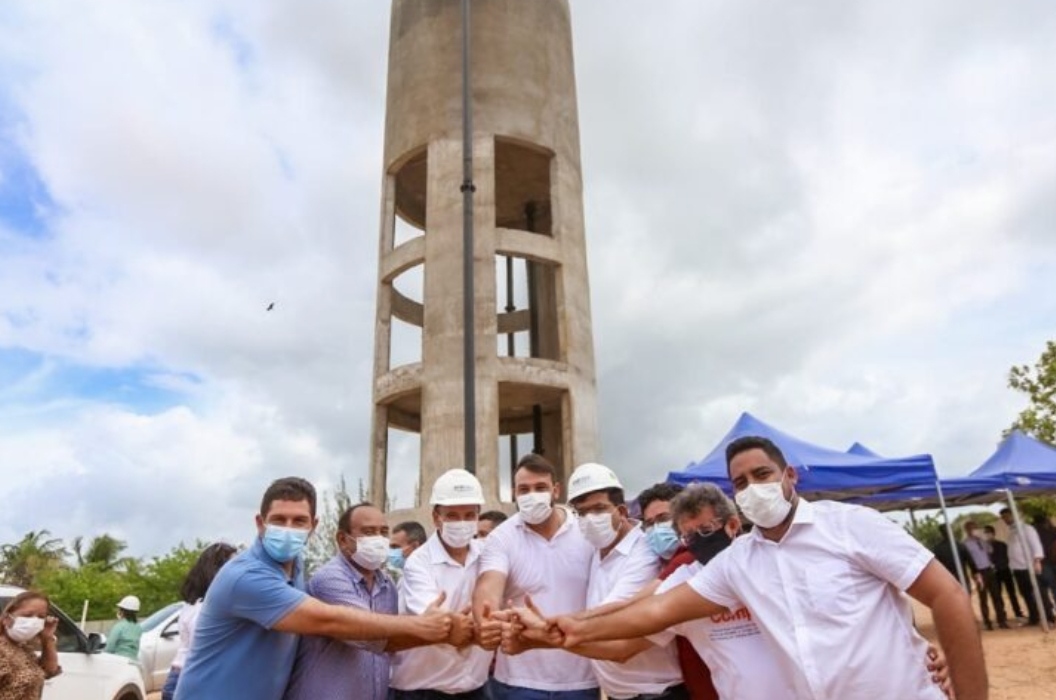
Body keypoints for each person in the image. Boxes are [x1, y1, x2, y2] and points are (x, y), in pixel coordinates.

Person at [553, 436, 987, 700]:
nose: (753, 487)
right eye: (741, 482)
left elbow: (945, 595)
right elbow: (654, 610)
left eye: (762, 474)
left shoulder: (849, 525)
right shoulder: (738, 563)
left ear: (789, 476)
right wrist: (565, 629)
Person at [174, 476, 455, 700]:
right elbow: (329, 619)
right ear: (260, 524)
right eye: (278, 520)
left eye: (299, 521)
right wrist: (422, 626)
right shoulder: (247, 576)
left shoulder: (295, 563)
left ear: (314, 526)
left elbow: (381, 642)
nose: (288, 529)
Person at [285, 502, 458, 700]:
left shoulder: (387, 585)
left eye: (383, 532)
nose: (378, 539)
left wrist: (440, 630)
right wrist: (432, 628)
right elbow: (370, 636)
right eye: (368, 532)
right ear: (343, 539)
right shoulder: (329, 579)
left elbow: (391, 643)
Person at [473, 453, 597, 700]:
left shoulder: (586, 531)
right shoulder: (502, 538)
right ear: (514, 494)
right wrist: (484, 621)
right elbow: (488, 585)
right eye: (524, 489)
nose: (532, 495)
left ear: (556, 490)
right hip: (518, 681)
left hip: (581, 679)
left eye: (540, 487)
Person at [563, 463, 684, 700]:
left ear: (622, 511)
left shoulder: (646, 553)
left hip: (657, 693)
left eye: (599, 509)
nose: (590, 519)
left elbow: (616, 635)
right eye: (582, 512)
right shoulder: (596, 550)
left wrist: (544, 633)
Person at [390, 469, 493, 700]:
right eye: (452, 516)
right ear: (436, 517)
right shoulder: (419, 562)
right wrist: (478, 627)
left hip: (475, 687)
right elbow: (439, 623)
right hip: (423, 689)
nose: (462, 522)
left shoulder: (488, 554)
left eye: (469, 515)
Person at [161, 543, 238, 700]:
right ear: (217, 571)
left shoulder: (192, 603)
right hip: (193, 679)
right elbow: (204, 646)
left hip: (181, 674)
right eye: (234, 566)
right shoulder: (207, 608)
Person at [0, 591, 61, 699]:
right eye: (27, 615)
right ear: (6, 618)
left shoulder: (24, 649)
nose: (34, 621)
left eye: (41, 617)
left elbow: (49, 671)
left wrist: (47, 638)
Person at [1000, 507, 1054, 625]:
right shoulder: (1011, 531)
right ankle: (1034, 617)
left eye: (1007, 516)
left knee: (1039, 593)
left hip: (1029, 566)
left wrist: (1037, 561)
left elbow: (1036, 545)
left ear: (1014, 515)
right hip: (1018, 568)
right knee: (1026, 594)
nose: (1005, 519)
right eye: (1003, 517)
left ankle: (1050, 617)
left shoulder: (1027, 529)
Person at [962, 521, 1008, 630]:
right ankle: (987, 622)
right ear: (967, 530)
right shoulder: (965, 544)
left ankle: (1002, 620)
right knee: (983, 597)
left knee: (996, 595)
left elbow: (990, 551)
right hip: (979, 572)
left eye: (976, 528)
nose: (975, 530)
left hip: (989, 569)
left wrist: (984, 540)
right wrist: (974, 573)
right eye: (972, 528)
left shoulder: (982, 541)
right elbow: (968, 560)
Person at [985, 524, 1025, 618]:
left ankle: (1018, 612)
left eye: (988, 532)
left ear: (993, 533)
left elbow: (1007, 557)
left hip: (1005, 570)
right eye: (986, 533)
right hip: (994, 572)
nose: (987, 534)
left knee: (1011, 592)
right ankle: (1002, 614)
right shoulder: (984, 547)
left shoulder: (1002, 544)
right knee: (997, 594)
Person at [931, 528, 975, 593]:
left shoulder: (937, 549)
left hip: (948, 581)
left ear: (941, 535)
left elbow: (935, 567)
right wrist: (975, 572)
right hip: (963, 579)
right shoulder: (959, 545)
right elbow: (970, 561)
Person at [1031, 515, 1056, 616]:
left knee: (1047, 588)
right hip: (1050, 562)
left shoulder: (1035, 532)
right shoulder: (1053, 530)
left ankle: (1050, 612)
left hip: (1043, 563)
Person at [106, 595, 143, 661]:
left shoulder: (119, 626)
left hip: (119, 661)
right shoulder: (138, 628)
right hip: (133, 662)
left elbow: (109, 647)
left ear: (122, 611)